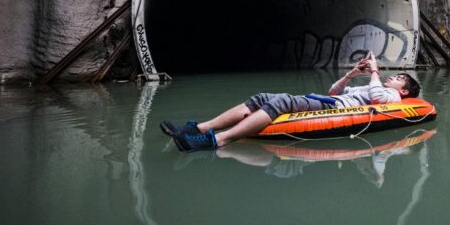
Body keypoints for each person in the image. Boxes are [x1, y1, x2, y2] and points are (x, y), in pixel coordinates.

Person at [161, 55, 421, 152]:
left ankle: (219, 140)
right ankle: (200, 128)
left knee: (283, 101)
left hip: (336, 109)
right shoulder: (370, 85)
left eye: (399, 78)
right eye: (394, 74)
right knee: (262, 98)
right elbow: (333, 90)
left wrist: (375, 71)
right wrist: (352, 74)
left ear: (405, 91)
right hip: (329, 100)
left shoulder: (393, 98)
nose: (392, 77)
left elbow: (377, 98)